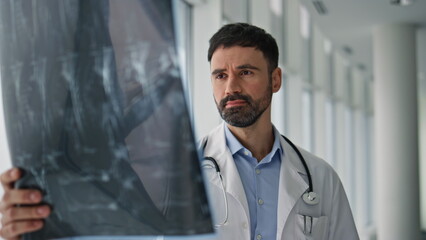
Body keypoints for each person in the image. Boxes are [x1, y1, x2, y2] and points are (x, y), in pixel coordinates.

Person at [0, 23, 359, 240]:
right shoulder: (173, 171)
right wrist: (33, 226)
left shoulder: (319, 178)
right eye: (220, 75)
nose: (231, 86)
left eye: (246, 72)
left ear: (275, 80)